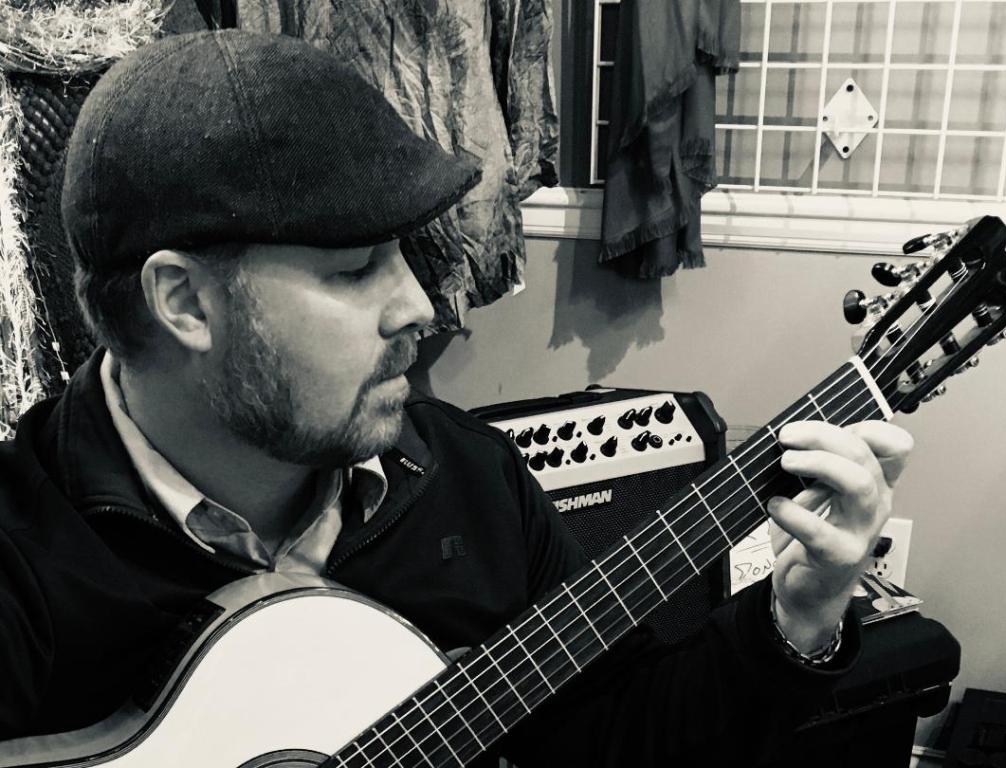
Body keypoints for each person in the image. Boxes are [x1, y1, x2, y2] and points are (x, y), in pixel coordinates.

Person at [0, 30, 913, 766]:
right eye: (354, 269)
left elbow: (612, 734)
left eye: (405, 253)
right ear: (186, 303)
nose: (418, 305)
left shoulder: (468, 478)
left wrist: (798, 617)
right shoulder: (22, 559)